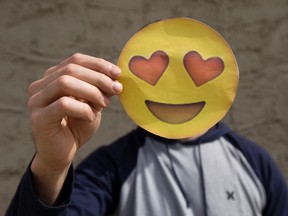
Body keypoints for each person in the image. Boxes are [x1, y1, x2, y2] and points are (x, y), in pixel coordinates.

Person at [6, 53, 288, 216]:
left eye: (189, 75)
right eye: (157, 75)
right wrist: (52, 166)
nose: (174, 86)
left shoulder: (255, 162)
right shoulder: (112, 166)